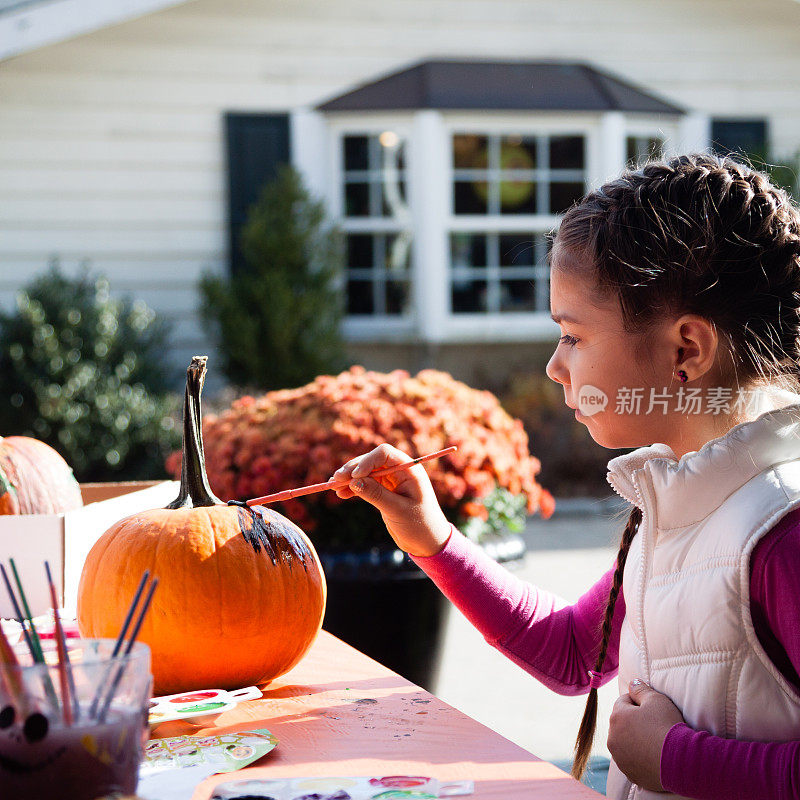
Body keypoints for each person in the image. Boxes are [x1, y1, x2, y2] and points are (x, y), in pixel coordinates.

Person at [330, 154, 800, 800]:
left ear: (685, 351)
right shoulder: (681, 505)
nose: (555, 367)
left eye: (573, 337)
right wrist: (430, 535)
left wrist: (674, 758)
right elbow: (575, 653)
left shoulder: (781, 533)